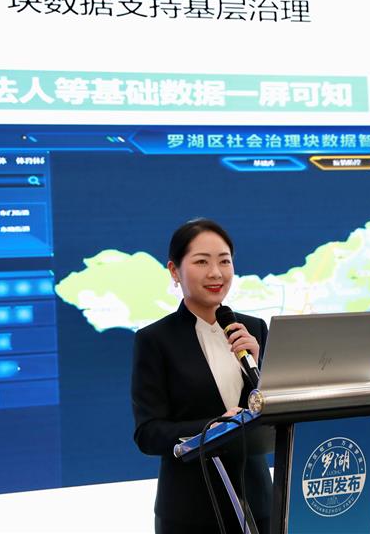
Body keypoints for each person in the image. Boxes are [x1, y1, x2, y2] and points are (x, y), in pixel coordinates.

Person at [131, 218, 271, 534]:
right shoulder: (155, 340)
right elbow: (148, 433)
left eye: (224, 261)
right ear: (174, 270)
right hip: (190, 510)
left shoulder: (254, 329)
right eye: (201, 262)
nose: (216, 273)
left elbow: (271, 412)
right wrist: (214, 427)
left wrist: (259, 366)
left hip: (258, 503)